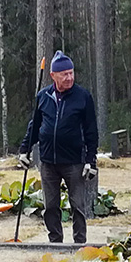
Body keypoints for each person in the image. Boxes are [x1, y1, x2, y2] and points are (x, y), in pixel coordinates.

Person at [18, 50, 99, 244]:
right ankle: (55, 241)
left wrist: (91, 160)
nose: (69, 77)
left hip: (74, 161)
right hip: (48, 162)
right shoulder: (43, 96)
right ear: (53, 75)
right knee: (51, 206)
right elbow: (35, 125)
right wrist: (24, 150)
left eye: (71, 73)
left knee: (78, 205)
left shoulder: (83, 97)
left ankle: (80, 243)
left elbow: (91, 131)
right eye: (65, 74)